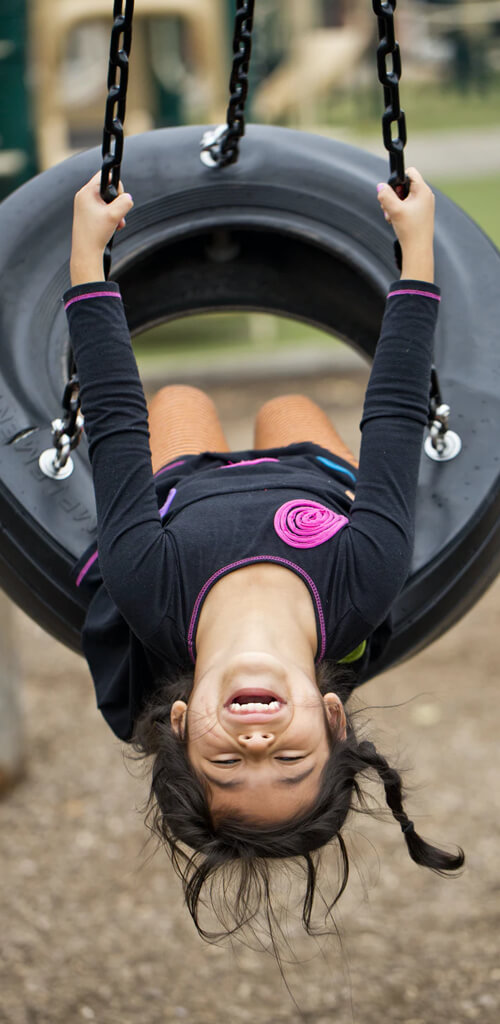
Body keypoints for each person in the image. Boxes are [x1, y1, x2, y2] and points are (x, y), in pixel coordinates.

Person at [65, 167, 463, 942]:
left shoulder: (149, 588)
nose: (258, 747)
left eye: (227, 767)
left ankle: (202, 428)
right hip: (307, 483)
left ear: (178, 723)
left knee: (178, 400)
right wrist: (417, 254)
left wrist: (88, 261)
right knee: (289, 408)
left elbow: (112, 419)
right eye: (290, 763)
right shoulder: (364, 581)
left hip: (184, 503)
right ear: (333, 718)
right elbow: (392, 415)